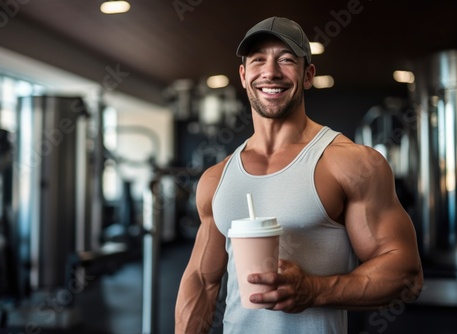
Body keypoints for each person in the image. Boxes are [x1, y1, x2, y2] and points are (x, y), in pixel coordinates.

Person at [175, 16, 423, 333]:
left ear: (308, 75)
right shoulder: (216, 178)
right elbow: (201, 280)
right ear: (243, 74)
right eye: (258, 60)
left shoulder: (351, 164)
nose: (270, 72)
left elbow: (408, 276)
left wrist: (314, 291)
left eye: (286, 59)